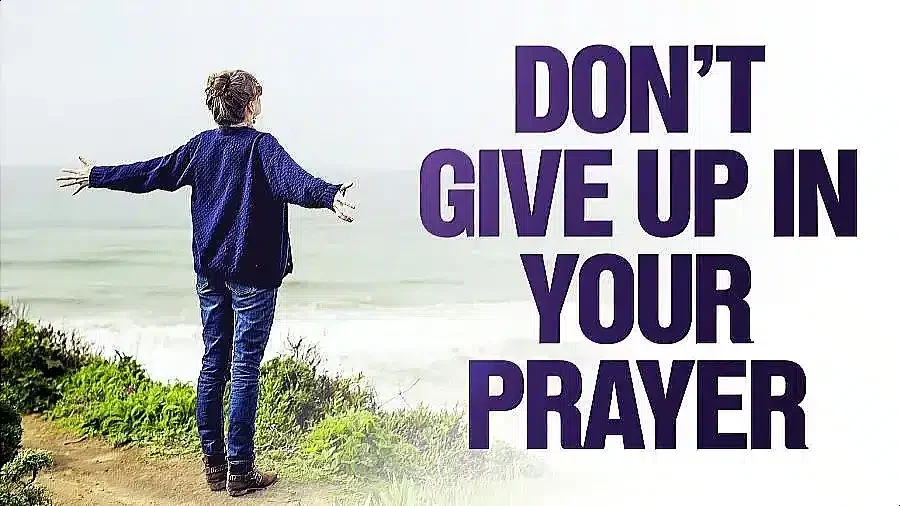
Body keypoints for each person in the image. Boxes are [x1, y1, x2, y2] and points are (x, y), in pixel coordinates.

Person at [56, 69, 356, 497]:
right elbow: (295, 181)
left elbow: (154, 173)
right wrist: (330, 196)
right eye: (258, 98)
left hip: (210, 275)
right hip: (253, 278)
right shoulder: (261, 147)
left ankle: (214, 466)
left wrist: (98, 175)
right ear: (250, 106)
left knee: (214, 362)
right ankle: (240, 471)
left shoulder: (201, 147)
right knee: (244, 368)